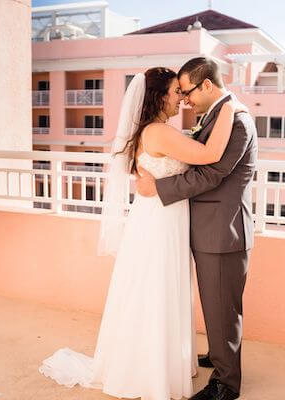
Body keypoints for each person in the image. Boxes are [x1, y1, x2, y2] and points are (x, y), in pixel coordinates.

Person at [39, 66, 240, 400]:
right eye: (177, 92)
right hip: (160, 222)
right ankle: (150, 370)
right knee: (156, 289)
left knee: (157, 288)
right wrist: (229, 108)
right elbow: (209, 155)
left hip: (163, 216)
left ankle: (160, 362)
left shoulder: (157, 130)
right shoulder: (158, 132)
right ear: (159, 96)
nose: (182, 98)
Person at [135, 57, 258, 400]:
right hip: (208, 227)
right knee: (214, 303)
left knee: (222, 307)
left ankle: (225, 384)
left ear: (206, 85)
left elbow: (213, 173)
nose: (184, 99)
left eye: (187, 91)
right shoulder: (218, 115)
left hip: (223, 230)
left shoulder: (236, 120)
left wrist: (159, 189)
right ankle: (221, 356)